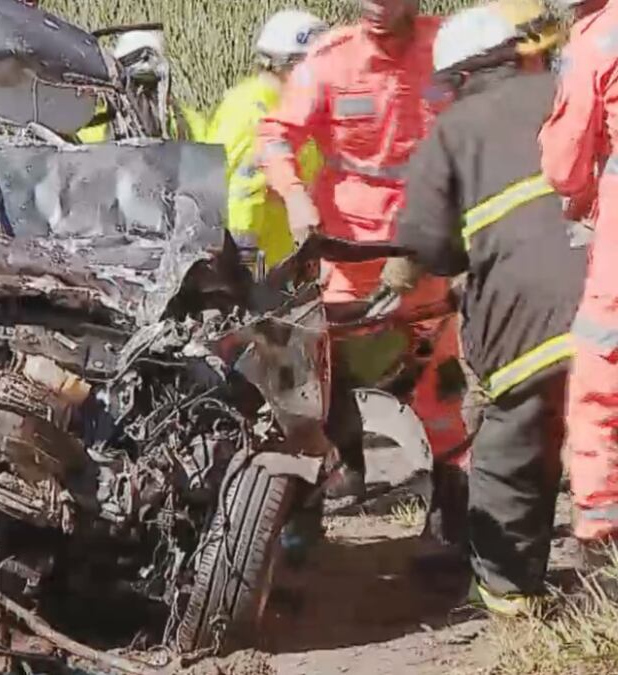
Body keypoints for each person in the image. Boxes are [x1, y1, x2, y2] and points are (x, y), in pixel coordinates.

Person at [388, 1, 578, 615]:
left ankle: (510, 597)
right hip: (605, 295)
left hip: (529, 324)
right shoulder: (570, 91)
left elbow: (427, 244)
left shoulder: (452, 131)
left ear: (463, 77)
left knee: (511, 451)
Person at [257, 0, 468, 507]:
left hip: (423, 247)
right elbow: (275, 136)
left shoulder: (448, 49)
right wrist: (294, 195)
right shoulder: (331, 61)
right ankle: (340, 478)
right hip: (347, 253)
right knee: (326, 377)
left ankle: (452, 509)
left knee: (437, 382)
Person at [538, 0, 618, 563]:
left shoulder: (596, 40)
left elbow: (563, 165)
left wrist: (582, 195)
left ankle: (599, 542)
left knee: (598, 375)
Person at [208, 10, 328, 273]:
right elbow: (241, 196)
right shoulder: (253, 114)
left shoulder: (290, 110)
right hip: (255, 266)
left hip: (282, 258)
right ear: (289, 66)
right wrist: (246, 271)